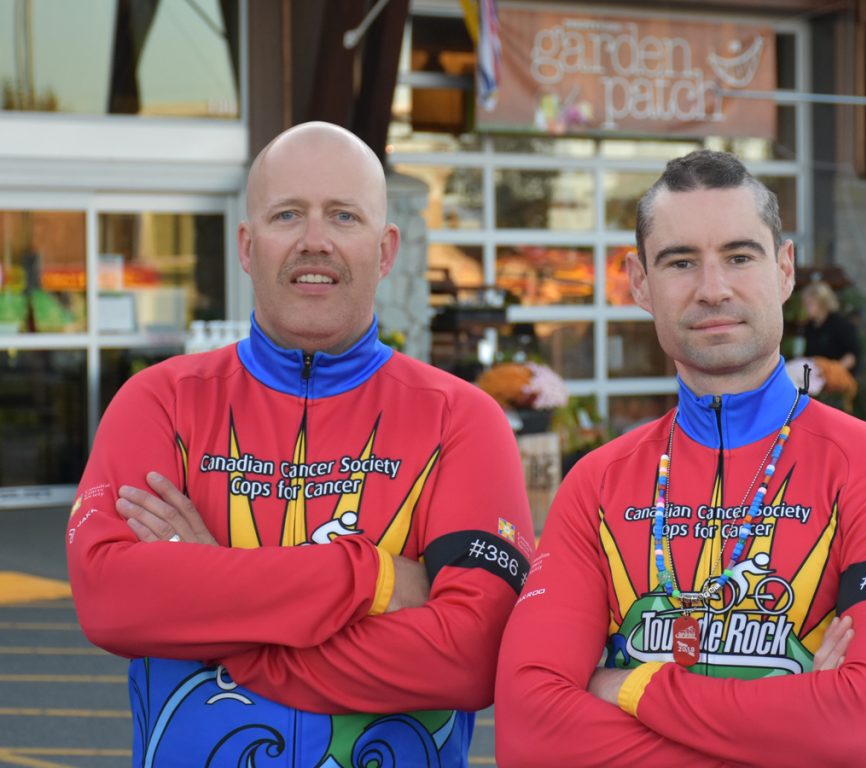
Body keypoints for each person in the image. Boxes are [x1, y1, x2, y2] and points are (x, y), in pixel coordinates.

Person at [66, 122, 534, 767]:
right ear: (247, 245)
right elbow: (111, 598)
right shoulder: (161, 402)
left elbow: (471, 654)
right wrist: (366, 577)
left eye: (344, 216)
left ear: (386, 248)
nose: (315, 242)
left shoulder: (462, 421)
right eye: (288, 215)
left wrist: (211, 606)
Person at [494, 150, 866, 767]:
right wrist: (795, 725)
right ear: (639, 283)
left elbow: (861, 730)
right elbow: (530, 734)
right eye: (681, 262)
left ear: (784, 269)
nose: (713, 289)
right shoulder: (597, 485)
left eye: (740, 257)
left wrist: (627, 686)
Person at [801, 279, 860, 374]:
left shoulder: (840, 325)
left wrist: (834, 371)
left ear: (822, 303)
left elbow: (852, 356)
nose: (806, 308)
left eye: (810, 304)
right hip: (815, 377)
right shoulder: (809, 327)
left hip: (837, 379)